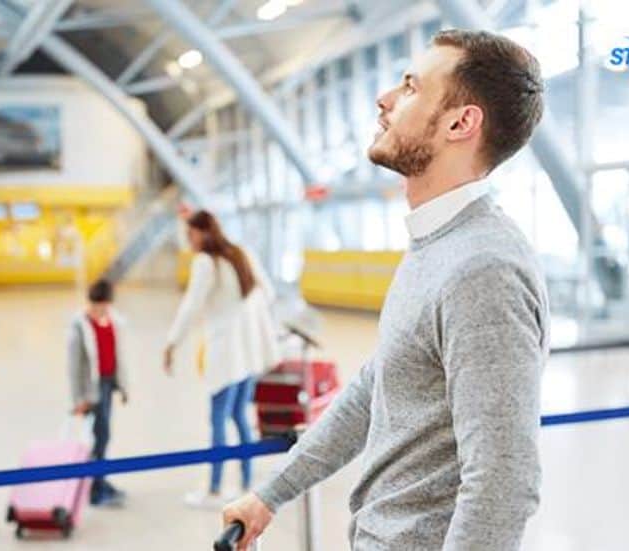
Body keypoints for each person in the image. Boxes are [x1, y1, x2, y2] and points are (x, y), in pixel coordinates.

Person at [222, 29, 551, 550]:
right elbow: (375, 388)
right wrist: (272, 494)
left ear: (460, 123)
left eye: (411, 87)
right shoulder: (438, 243)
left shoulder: (483, 269)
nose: (385, 98)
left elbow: (503, 484)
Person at [164, 211, 279, 510]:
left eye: (190, 234)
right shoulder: (241, 253)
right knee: (239, 416)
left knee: (217, 419)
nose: (188, 241)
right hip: (250, 353)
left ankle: (214, 489)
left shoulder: (206, 262)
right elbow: (268, 293)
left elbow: (191, 306)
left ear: (204, 232)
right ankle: (246, 483)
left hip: (227, 355)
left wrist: (172, 343)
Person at [68, 279, 132, 507]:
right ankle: (96, 488)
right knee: (101, 436)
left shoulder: (115, 321)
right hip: (91, 391)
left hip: (108, 384)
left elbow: (120, 356)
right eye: (96, 307)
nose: (100, 311)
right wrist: (78, 400)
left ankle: (100, 481)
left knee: (103, 437)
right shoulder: (79, 327)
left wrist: (124, 387)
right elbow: (74, 368)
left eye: (104, 306)